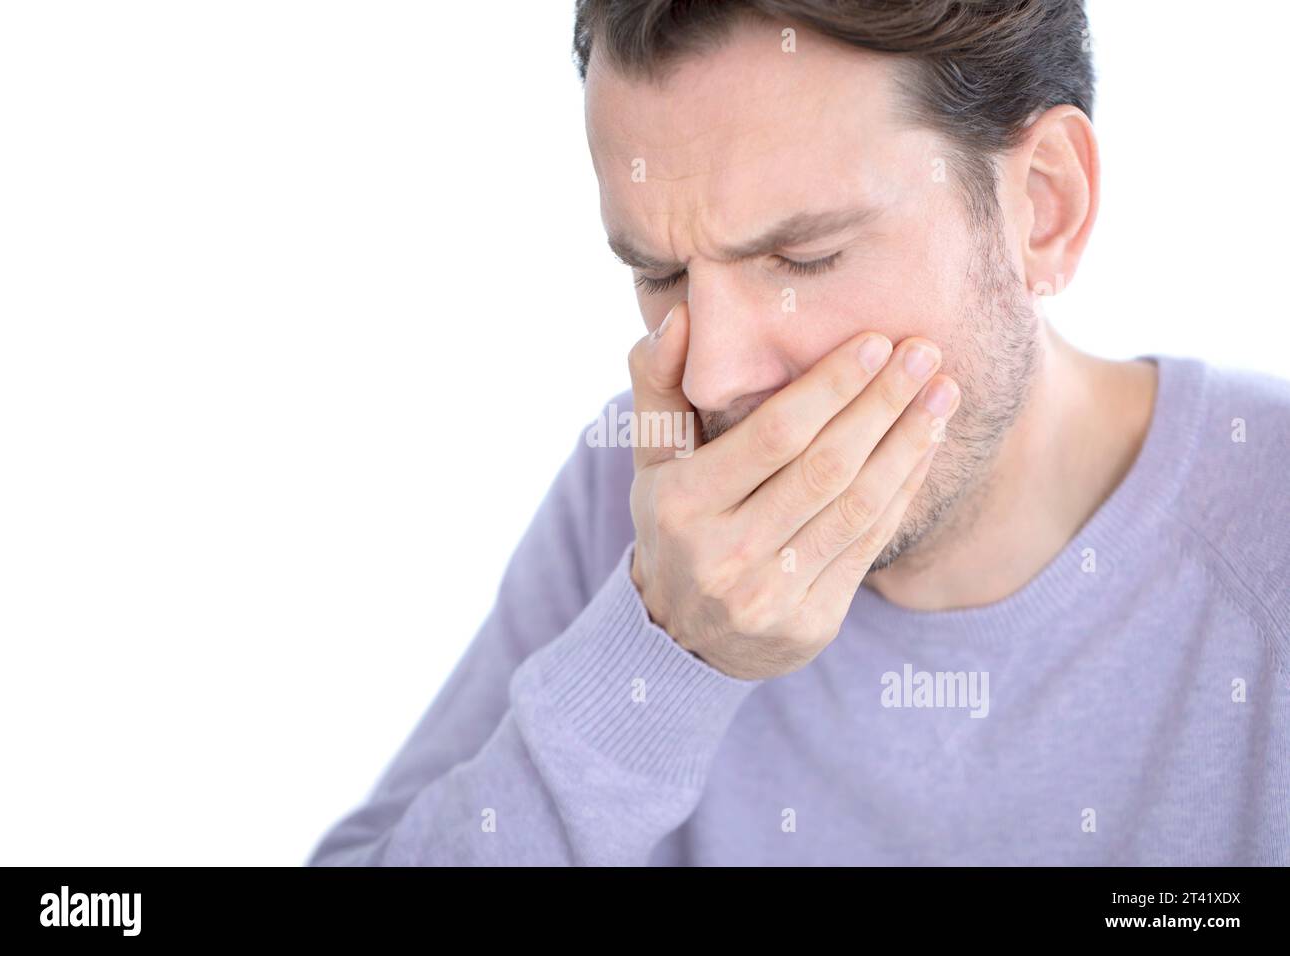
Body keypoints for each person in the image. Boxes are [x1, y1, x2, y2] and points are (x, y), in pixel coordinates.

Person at [307, 0, 1290, 865]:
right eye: (659, 272)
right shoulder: (648, 505)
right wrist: (662, 653)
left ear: (1043, 208)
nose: (711, 375)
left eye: (801, 255)